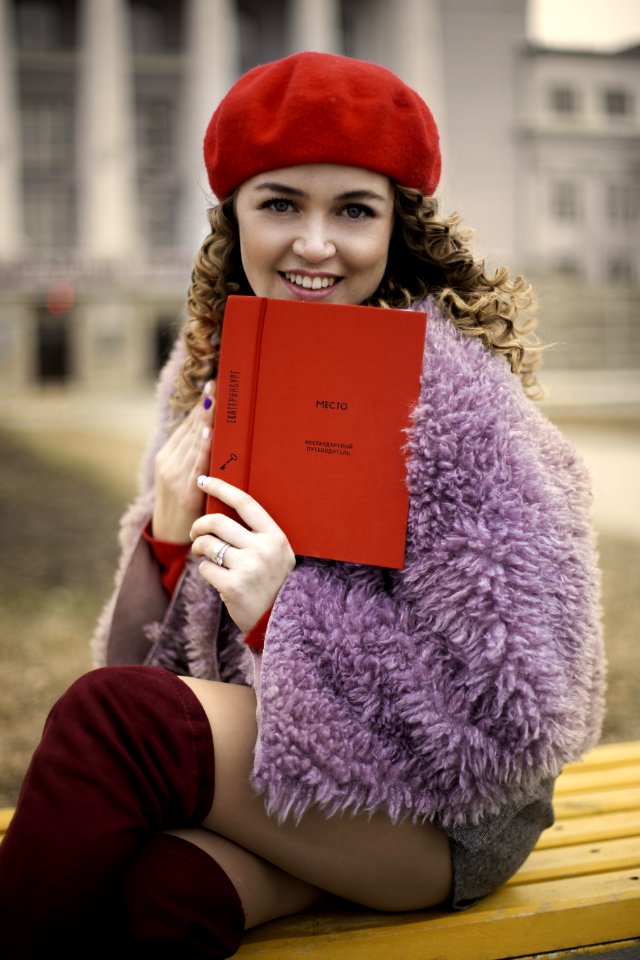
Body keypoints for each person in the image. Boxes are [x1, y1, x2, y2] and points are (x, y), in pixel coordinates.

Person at [0, 52, 605, 958]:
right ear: (233, 216)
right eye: (280, 203)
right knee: (159, 897)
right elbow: (155, 664)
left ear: (398, 227)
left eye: (353, 211)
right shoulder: (212, 378)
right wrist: (165, 547)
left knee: (116, 718)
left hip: (438, 819)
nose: (315, 244)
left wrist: (285, 616)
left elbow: (520, 720)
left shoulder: (467, 414)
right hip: (286, 785)